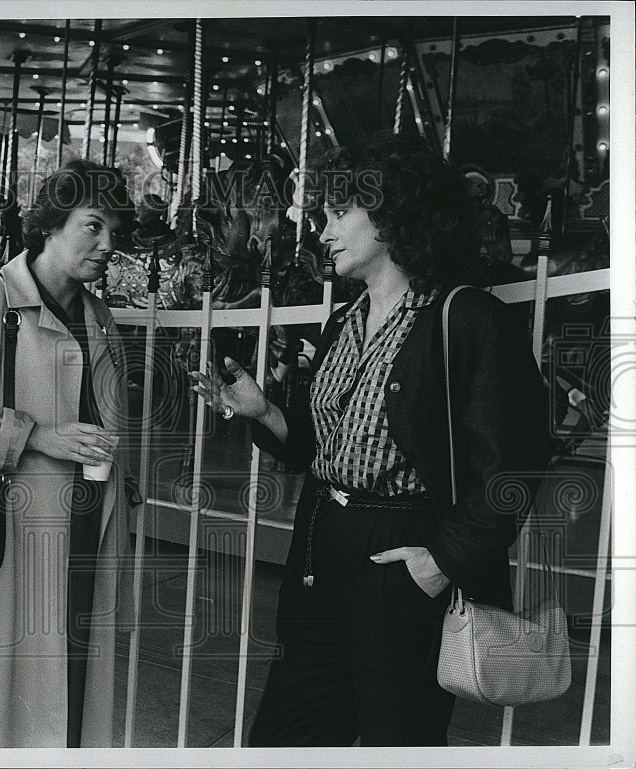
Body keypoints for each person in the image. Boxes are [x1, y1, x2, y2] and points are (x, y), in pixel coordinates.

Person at [190, 133, 554, 746]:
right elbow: (318, 446)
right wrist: (263, 412)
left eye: (338, 215)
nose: (322, 232)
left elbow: (516, 466)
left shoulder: (466, 319)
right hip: (321, 545)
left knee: (398, 737)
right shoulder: (345, 319)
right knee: (288, 736)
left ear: (390, 218)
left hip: (403, 552)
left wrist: (440, 564)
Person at [0, 159, 140, 748]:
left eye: (113, 232)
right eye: (93, 226)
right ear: (51, 224)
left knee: (70, 687)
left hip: (85, 531)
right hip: (9, 532)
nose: (106, 245)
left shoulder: (100, 316)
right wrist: (37, 434)